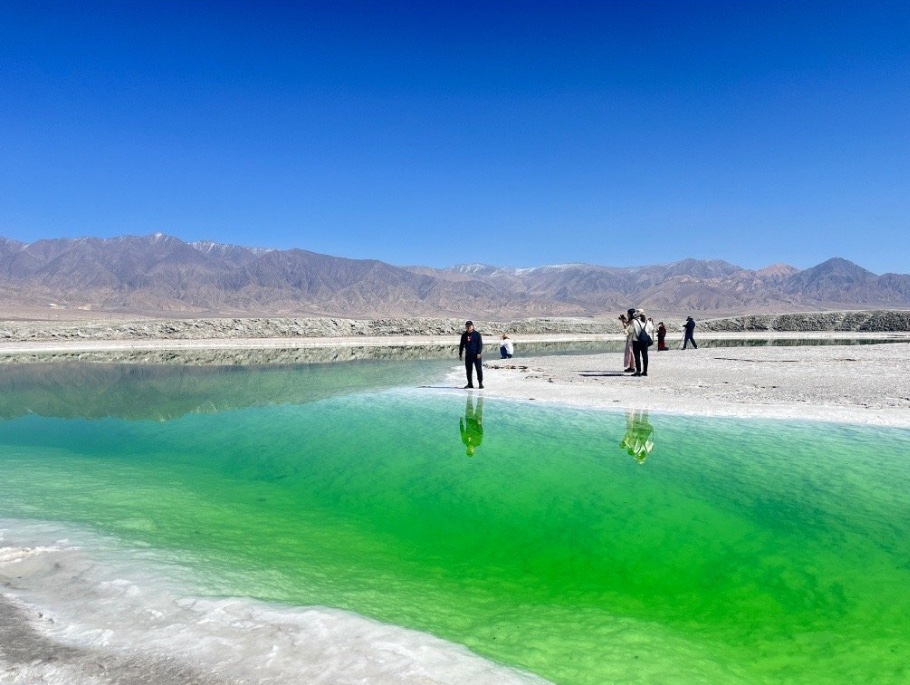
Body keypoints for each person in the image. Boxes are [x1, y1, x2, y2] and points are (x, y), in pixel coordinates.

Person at [458, 320, 484, 389]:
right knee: (468, 370)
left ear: (472, 326)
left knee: (478, 369)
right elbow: (461, 345)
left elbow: (480, 344)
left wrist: (479, 352)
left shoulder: (477, 334)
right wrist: (460, 354)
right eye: (467, 326)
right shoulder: (464, 335)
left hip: (476, 355)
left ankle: (480, 383)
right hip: (468, 355)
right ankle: (470, 384)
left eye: (470, 326)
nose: (468, 327)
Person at [630, 310, 654, 377]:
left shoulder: (634, 321)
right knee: (645, 356)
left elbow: (630, 330)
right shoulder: (647, 322)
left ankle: (638, 371)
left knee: (637, 356)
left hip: (636, 341)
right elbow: (651, 329)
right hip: (645, 341)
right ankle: (645, 371)